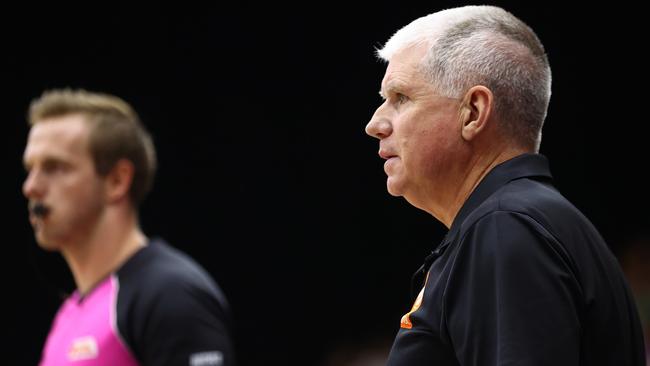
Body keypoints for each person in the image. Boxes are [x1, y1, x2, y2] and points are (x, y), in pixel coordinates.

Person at [365, 5, 645, 366]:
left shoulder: (506, 227)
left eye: (401, 98)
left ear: (474, 112)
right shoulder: (523, 221)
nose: (375, 124)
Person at [23, 88, 235, 366]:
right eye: (30, 168)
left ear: (117, 181)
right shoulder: (70, 314)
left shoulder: (170, 295)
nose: (31, 187)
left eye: (54, 167)